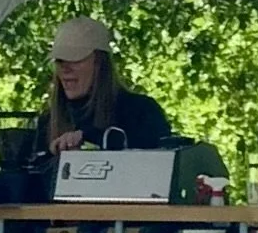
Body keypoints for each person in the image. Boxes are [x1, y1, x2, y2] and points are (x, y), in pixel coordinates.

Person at [42, 15, 173, 151]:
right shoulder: (47, 122)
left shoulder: (141, 112)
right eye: (59, 60)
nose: (65, 68)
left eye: (75, 59)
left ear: (99, 62)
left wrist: (91, 141)